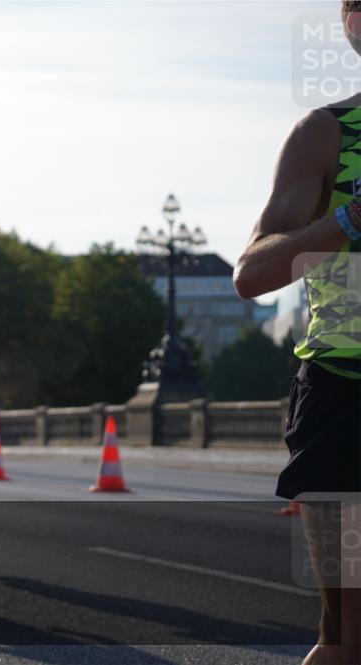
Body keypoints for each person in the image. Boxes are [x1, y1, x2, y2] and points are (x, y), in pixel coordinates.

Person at [233, 6, 361, 660]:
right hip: (345, 397)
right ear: (351, 23)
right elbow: (252, 275)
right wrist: (346, 220)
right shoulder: (325, 135)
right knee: (349, 637)